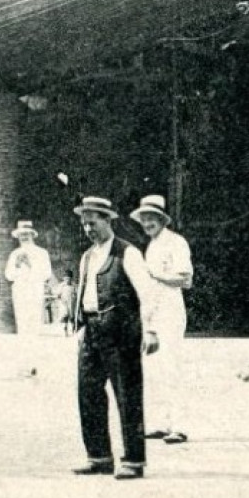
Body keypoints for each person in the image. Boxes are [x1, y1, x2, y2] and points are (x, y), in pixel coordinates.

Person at [70, 196, 159, 481]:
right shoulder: (87, 256)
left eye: (93, 222)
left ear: (108, 220)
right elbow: (85, 292)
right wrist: (79, 323)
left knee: (127, 395)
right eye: (84, 224)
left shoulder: (127, 253)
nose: (88, 229)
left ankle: (133, 460)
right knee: (88, 393)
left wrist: (151, 329)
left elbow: (147, 294)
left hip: (122, 332)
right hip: (92, 331)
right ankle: (99, 457)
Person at [131, 195, 194, 445]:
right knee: (154, 367)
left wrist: (154, 275)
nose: (147, 223)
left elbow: (184, 279)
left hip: (169, 309)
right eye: (143, 219)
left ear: (161, 219)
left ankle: (179, 426)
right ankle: (161, 423)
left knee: (171, 366)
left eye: (151, 218)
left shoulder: (176, 242)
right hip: (152, 310)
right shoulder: (152, 246)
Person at [3, 220, 53, 337]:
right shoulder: (15, 254)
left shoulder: (42, 253)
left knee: (34, 322)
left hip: (34, 290)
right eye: (21, 235)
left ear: (32, 235)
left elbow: (47, 274)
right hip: (19, 291)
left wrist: (30, 264)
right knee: (22, 322)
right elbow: (8, 276)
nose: (24, 237)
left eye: (26, 234)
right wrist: (17, 265)